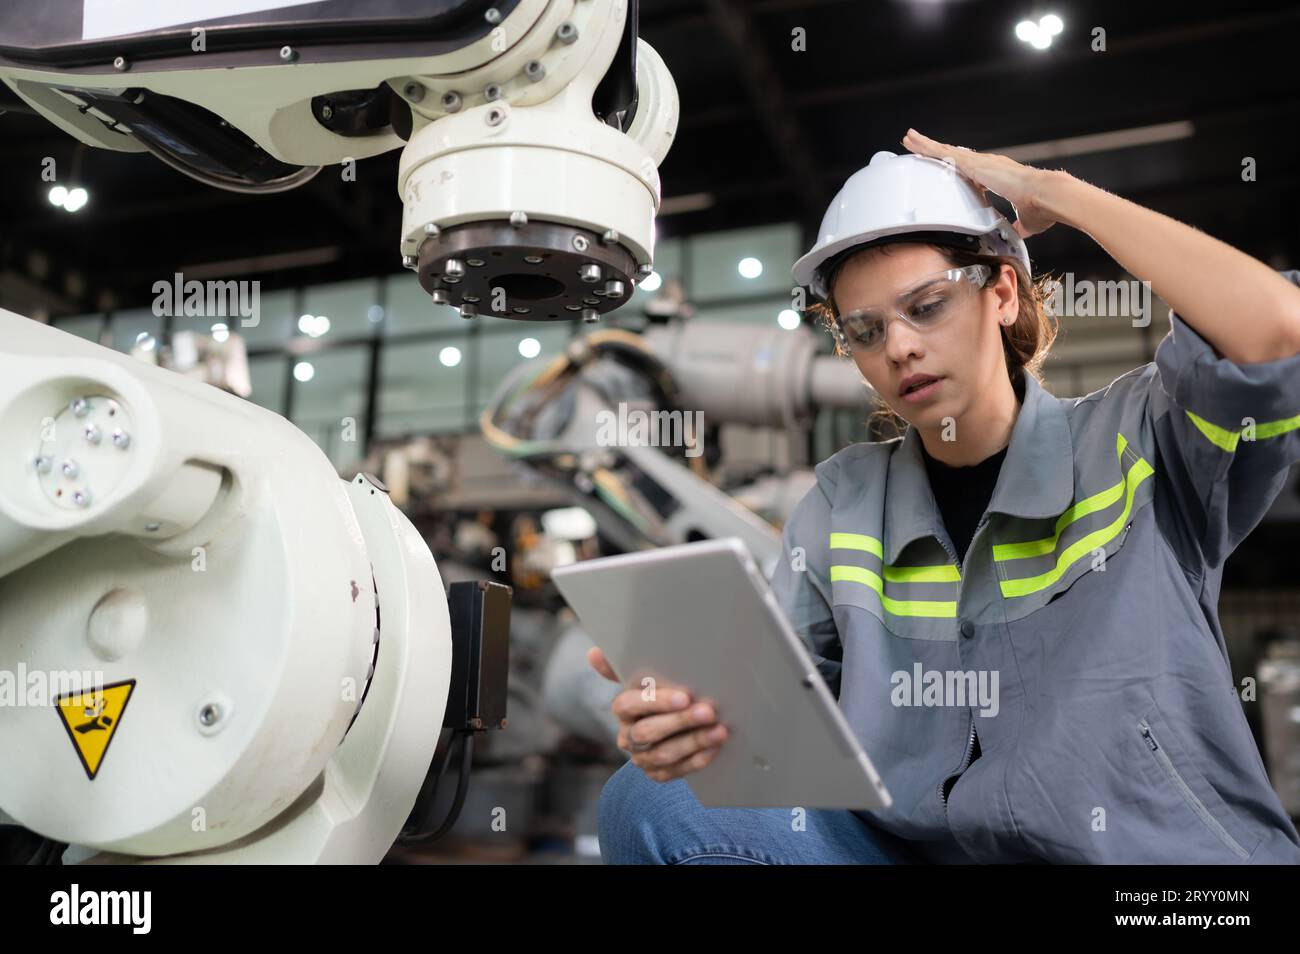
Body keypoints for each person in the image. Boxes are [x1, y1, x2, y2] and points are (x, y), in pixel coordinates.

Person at [590, 129, 1300, 864]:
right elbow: (783, 725)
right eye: (864, 330)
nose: (897, 347)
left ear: (1001, 291)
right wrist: (692, 722)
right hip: (916, 853)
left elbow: (1279, 332)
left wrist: (1058, 194)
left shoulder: (1139, 441)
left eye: (925, 307)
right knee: (651, 802)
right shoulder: (844, 501)